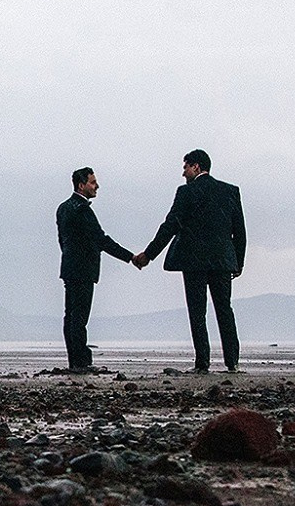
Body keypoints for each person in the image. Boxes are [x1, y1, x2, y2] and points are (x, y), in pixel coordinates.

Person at [135, 149, 245, 373]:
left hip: (193, 261)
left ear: (196, 166)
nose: (183, 173)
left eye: (185, 167)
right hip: (223, 261)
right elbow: (240, 232)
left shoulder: (186, 193)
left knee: (197, 312)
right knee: (225, 309)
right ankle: (232, 361)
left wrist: (148, 255)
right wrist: (238, 262)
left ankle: (202, 363)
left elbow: (170, 226)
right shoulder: (230, 191)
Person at [56, 167, 137, 374]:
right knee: (79, 318)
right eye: (93, 182)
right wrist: (130, 257)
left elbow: (62, 240)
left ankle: (74, 359)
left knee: (71, 316)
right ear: (81, 185)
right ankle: (81, 361)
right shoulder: (83, 210)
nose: (97, 186)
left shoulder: (63, 208)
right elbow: (101, 240)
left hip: (69, 267)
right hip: (84, 269)